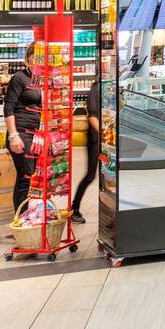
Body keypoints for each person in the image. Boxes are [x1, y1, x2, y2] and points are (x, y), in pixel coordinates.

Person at [3, 44, 42, 214]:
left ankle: (29, 216)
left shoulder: (39, 80)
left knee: (32, 177)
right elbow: (8, 107)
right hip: (20, 133)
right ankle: (20, 219)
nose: (38, 61)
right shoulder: (19, 78)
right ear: (28, 60)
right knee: (25, 177)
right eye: (35, 58)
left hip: (35, 134)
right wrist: (13, 135)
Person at [70, 78, 101, 224]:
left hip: (107, 140)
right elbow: (93, 116)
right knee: (90, 175)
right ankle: (74, 209)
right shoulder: (96, 89)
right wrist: (104, 133)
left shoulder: (109, 88)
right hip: (96, 139)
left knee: (109, 176)